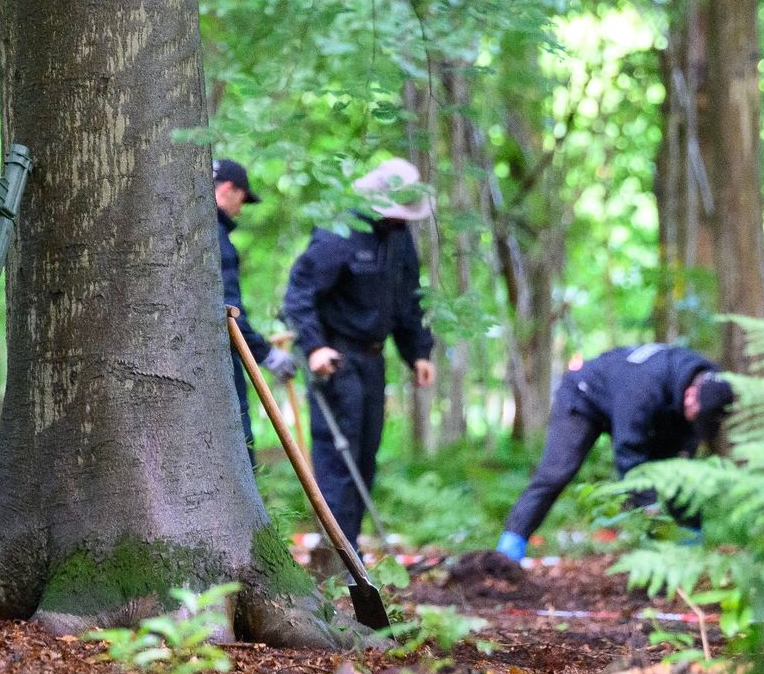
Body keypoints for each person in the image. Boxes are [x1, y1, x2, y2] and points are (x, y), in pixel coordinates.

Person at [281, 158, 436, 545]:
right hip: (337, 360)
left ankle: (350, 551)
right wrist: (315, 347)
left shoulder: (399, 237)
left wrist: (417, 351)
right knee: (340, 459)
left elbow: (407, 298)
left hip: (373, 359)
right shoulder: (340, 232)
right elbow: (299, 294)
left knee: (365, 459)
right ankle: (342, 559)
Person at [495, 345, 735, 560]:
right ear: (691, 394)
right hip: (584, 396)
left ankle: (690, 551)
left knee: (678, 477)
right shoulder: (644, 387)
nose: (695, 420)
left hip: (651, 410)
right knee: (557, 472)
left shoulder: (708, 386)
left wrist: (690, 532)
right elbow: (629, 452)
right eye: (695, 414)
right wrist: (649, 506)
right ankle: (509, 548)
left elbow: (680, 469)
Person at [214, 157, 296, 455]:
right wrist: (268, 355)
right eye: (242, 199)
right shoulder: (215, 238)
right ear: (229, 189)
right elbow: (228, 313)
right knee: (239, 440)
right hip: (218, 359)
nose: (240, 208)